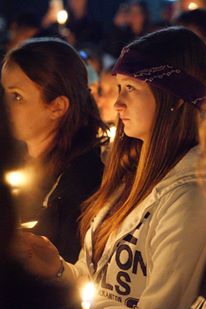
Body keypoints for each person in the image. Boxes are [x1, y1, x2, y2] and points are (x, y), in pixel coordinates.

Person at [11, 26, 206, 308]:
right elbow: (95, 283)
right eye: (118, 88)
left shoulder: (190, 198)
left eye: (131, 88)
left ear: (175, 98)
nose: (117, 103)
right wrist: (57, 270)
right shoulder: (126, 179)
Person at [1, 37, 107, 263]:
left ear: (57, 107)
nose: (4, 105)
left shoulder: (84, 184)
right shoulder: (12, 159)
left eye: (16, 96)